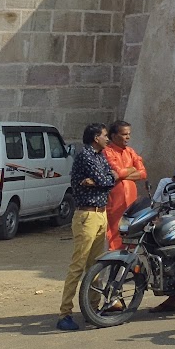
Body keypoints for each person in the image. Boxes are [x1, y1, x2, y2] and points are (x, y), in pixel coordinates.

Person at [57, 122, 118, 331]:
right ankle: (65, 313)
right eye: (104, 135)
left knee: (96, 266)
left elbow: (110, 178)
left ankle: (93, 308)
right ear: (95, 138)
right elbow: (106, 179)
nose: (107, 139)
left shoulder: (100, 156)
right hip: (86, 215)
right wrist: (103, 179)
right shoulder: (86, 156)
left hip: (100, 214)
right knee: (78, 265)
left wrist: (102, 180)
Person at [102, 119, 146, 252]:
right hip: (114, 200)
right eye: (124, 134)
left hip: (131, 200)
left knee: (130, 230)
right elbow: (117, 171)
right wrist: (132, 169)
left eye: (129, 134)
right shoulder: (108, 152)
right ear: (114, 136)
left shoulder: (130, 151)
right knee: (115, 231)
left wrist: (123, 175)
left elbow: (143, 173)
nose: (128, 137)